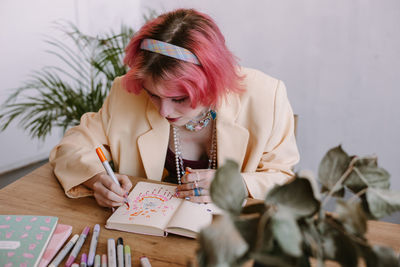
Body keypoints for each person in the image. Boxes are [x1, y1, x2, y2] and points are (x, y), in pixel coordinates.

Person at [49, 8, 299, 208]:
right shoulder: (126, 92)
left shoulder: (267, 97)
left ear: (214, 83)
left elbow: (285, 180)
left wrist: (239, 183)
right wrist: (96, 180)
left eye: (179, 99)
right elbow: (71, 147)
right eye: (153, 95)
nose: (163, 112)